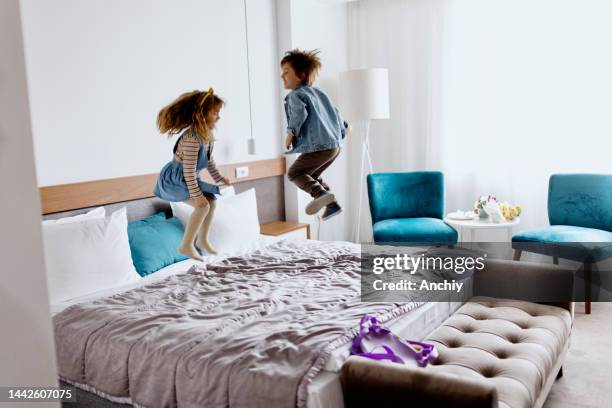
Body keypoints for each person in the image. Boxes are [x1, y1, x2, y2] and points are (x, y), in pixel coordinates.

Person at [153, 88, 229, 260]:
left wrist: (219, 178)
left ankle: (202, 240)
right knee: (203, 205)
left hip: (189, 177)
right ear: (202, 114)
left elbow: (209, 161)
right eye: (215, 113)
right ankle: (186, 245)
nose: (219, 117)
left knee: (212, 201)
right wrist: (197, 196)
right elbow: (187, 171)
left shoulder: (206, 135)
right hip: (175, 179)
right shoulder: (192, 139)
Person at [281, 49, 350, 221]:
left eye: (286, 72)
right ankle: (331, 204)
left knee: (295, 173)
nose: (282, 76)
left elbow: (298, 114)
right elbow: (335, 112)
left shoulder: (295, 95)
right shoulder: (319, 93)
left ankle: (321, 195)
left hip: (319, 147)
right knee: (312, 176)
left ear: (301, 75)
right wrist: (345, 127)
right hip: (334, 146)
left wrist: (291, 133)